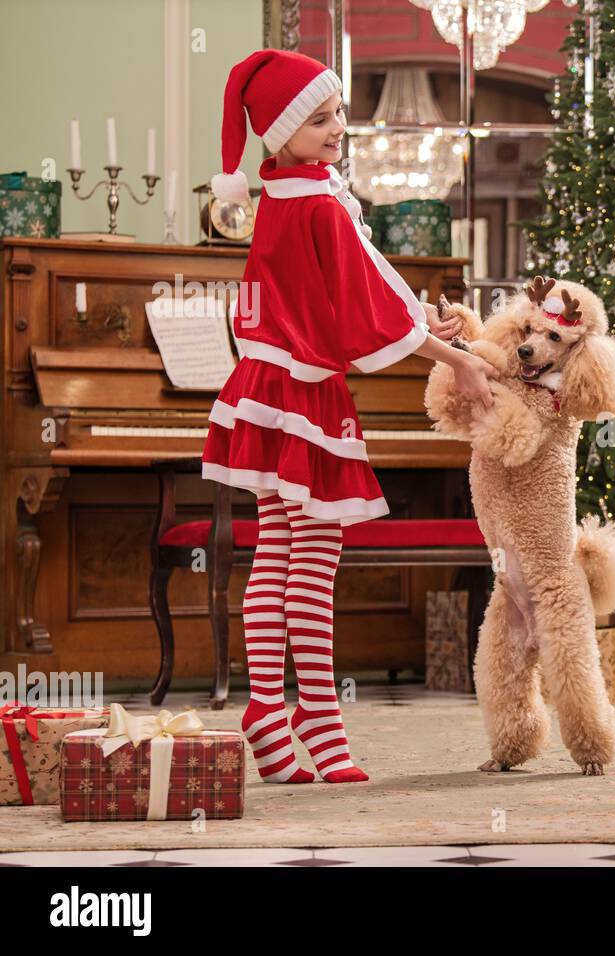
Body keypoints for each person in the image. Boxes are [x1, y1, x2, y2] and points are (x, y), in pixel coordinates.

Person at [201, 49, 495, 783]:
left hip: (263, 386)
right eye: (320, 117)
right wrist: (456, 359)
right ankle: (320, 720)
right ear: (281, 130)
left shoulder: (287, 197)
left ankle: (269, 712)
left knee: (275, 553)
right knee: (314, 563)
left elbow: (367, 288)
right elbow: (364, 312)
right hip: (305, 393)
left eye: (337, 113)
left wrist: (426, 323)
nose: (339, 128)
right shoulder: (320, 205)